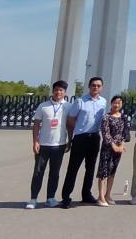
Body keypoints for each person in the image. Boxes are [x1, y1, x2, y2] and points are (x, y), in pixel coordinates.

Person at [60, 76, 107, 209]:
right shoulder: (80, 101)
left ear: (101, 87)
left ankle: (86, 194)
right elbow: (71, 120)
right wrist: (72, 137)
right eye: (93, 85)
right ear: (89, 86)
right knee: (73, 168)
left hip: (94, 137)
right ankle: (66, 197)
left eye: (98, 85)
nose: (95, 87)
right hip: (81, 137)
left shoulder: (103, 101)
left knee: (90, 168)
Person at [26, 80, 71, 209]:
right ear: (53, 91)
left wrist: (70, 140)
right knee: (38, 172)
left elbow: (70, 125)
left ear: (65, 92)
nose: (58, 92)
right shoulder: (43, 106)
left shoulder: (68, 106)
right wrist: (35, 141)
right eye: (56, 90)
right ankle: (33, 199)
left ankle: (50, 198)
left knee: (54, 173)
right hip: (43, 144)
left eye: (61, 90)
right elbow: (36, 124)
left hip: (59, 144)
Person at [96, 95, 129, 206]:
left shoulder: (123, 117)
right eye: (115, 102)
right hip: (107, 148)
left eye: (119, 103)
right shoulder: (106, 117)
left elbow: (125, 132)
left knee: (112, 172)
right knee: (103, 172)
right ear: (111, 103)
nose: (117, 105)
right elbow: (105, 133)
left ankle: (108, 195)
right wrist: (113, 145)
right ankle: (101, 197)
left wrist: (122, 144)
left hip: (119, 148)